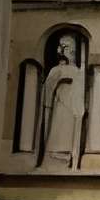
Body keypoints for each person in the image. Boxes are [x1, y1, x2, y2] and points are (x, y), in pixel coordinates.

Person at [40, 34, 85, 170]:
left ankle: (67, 156)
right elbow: (47, 89)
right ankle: (51, 157)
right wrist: (59, 84)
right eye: (60, 46)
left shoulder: (77, 71)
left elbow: (80, 92)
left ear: (71, 50)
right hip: (58, 106)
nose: (59, 50)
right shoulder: (56, 69)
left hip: (71, 108)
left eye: (64, 47)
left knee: (67, 133)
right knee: (56, 131)